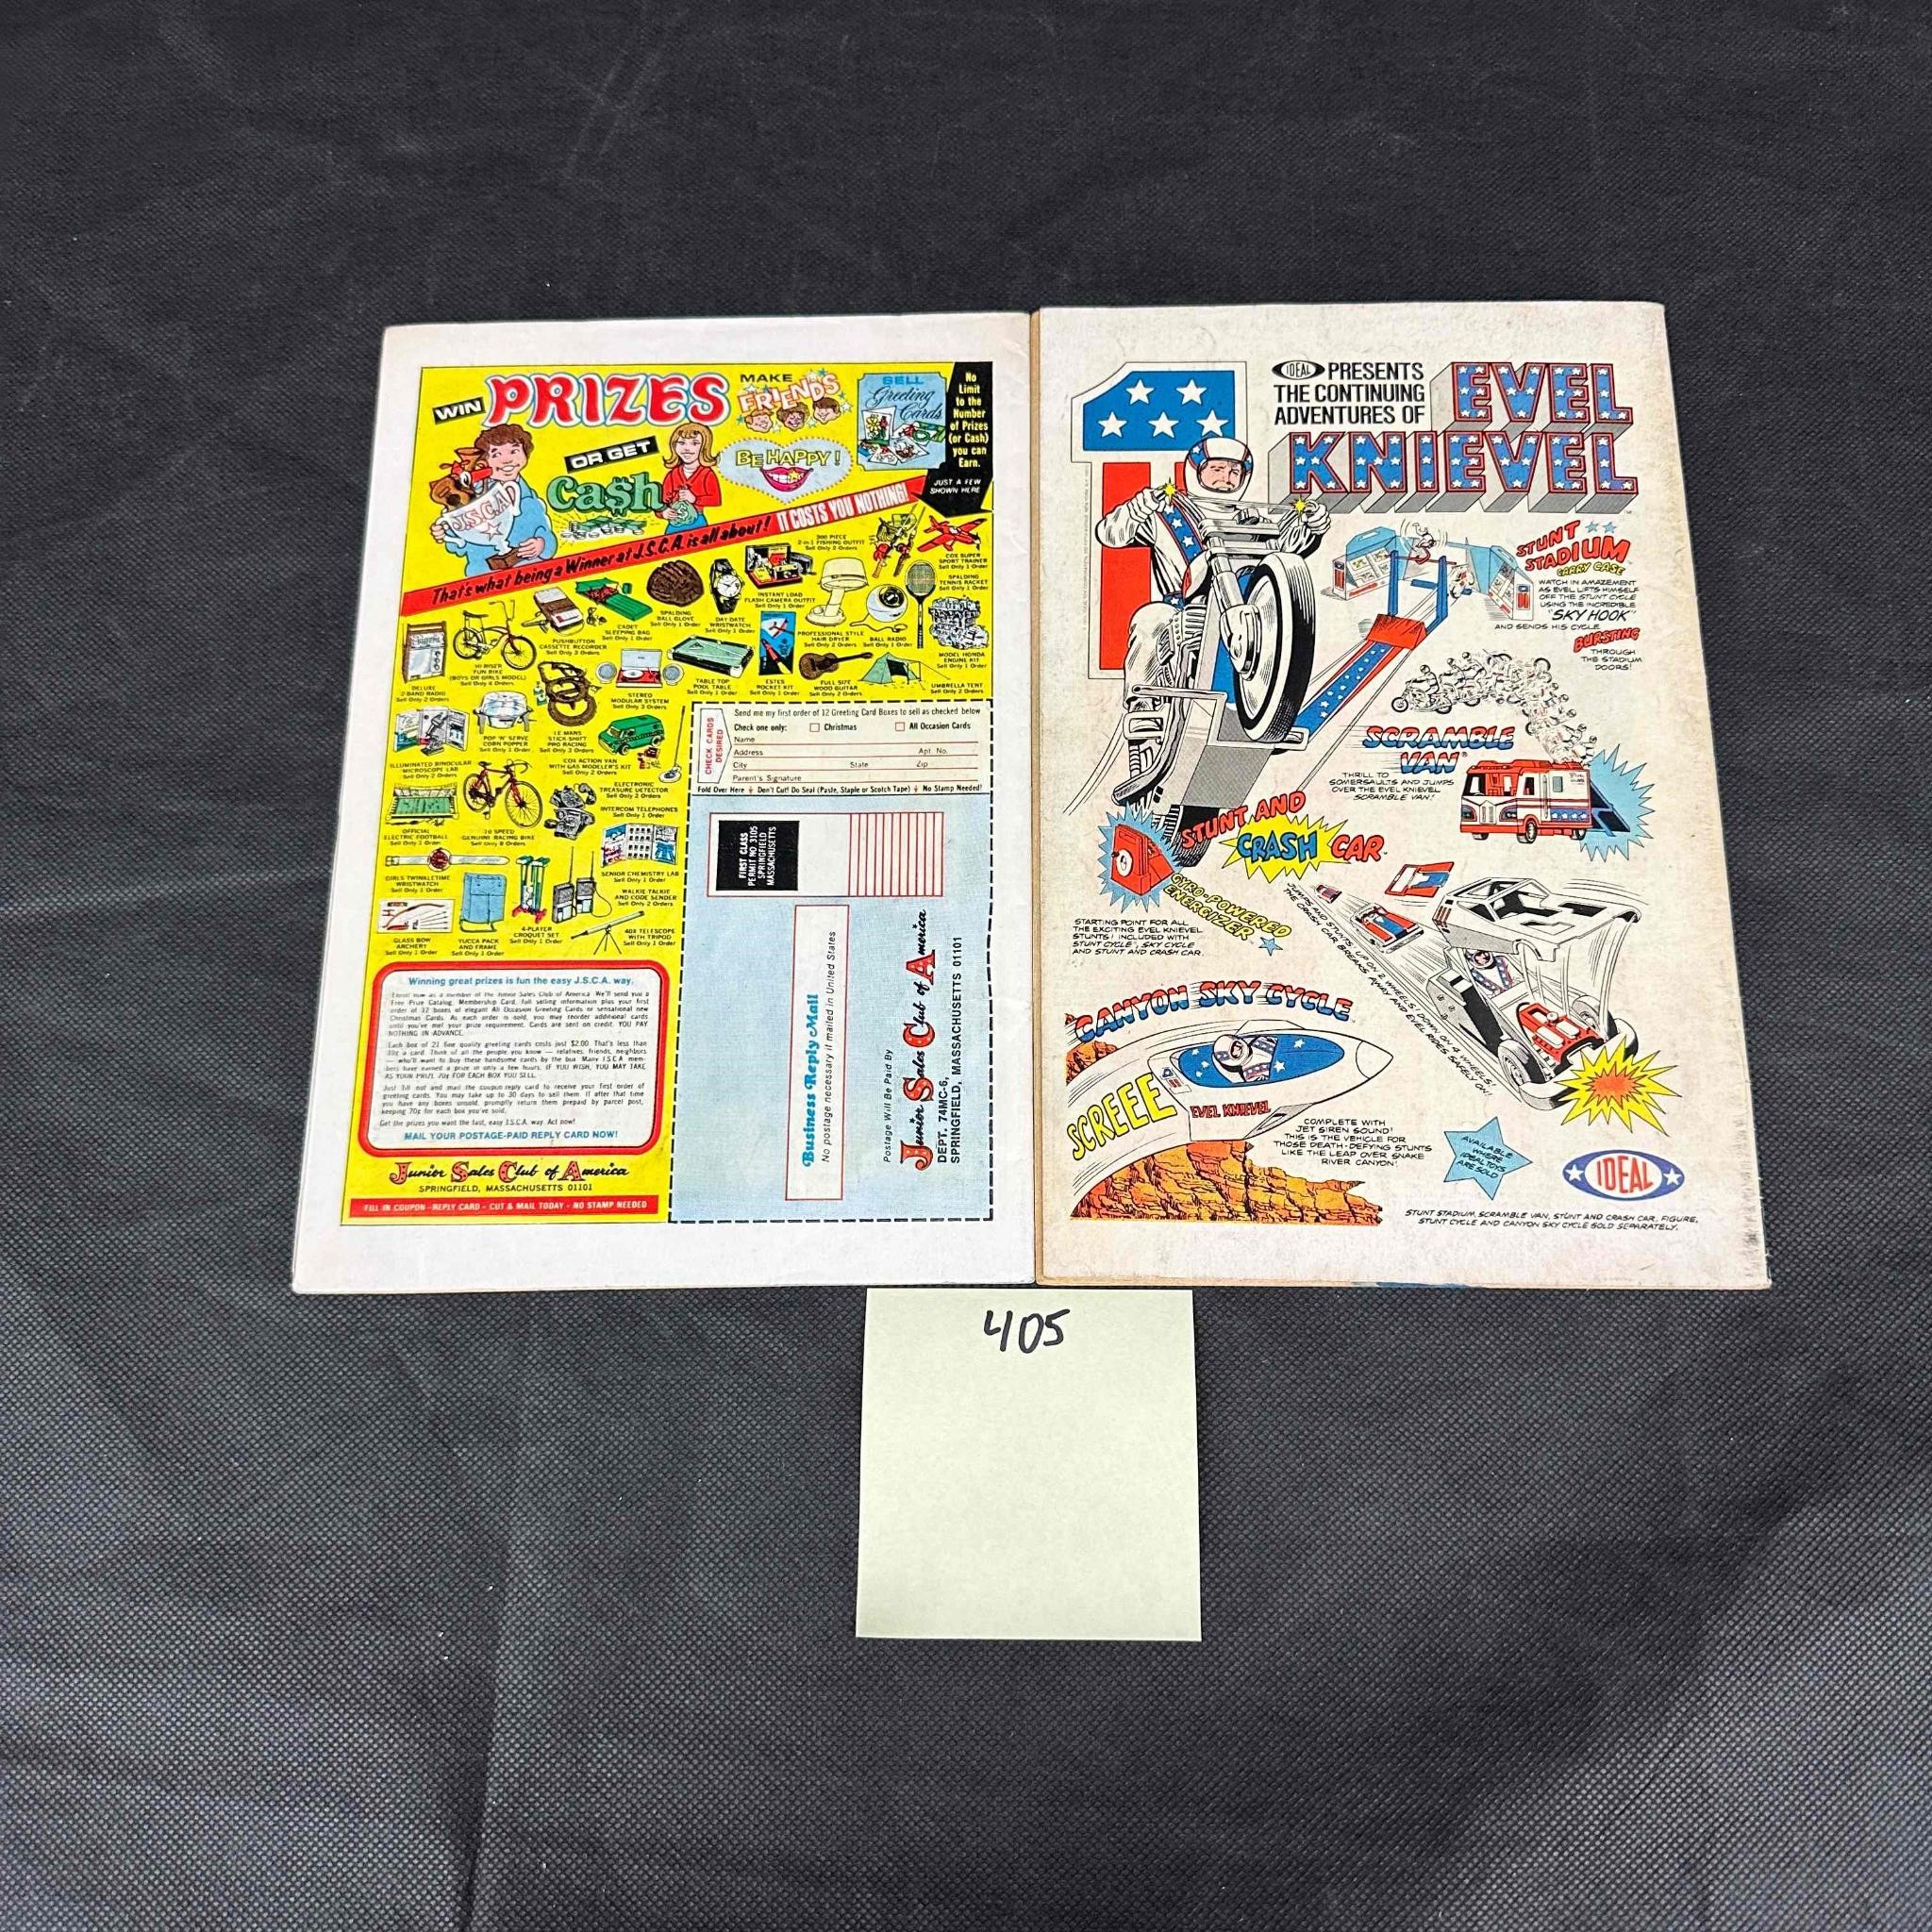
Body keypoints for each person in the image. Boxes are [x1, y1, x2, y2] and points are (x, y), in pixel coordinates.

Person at [1095, 435, 1327, 801]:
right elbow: (1110, 533)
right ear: (1197, 471)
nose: (1225, 479)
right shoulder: (1167, 512)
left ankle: (1278, 705)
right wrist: (1139, 507)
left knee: (1288, 628)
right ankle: (1142, 708)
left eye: (1234, 472)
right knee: (1150, 618)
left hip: (1246, 614)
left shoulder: (1255, 517)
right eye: (1216, 469)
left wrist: (1310, 525)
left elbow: (1287, 553)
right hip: (1185, 609)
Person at [430, 422, 556, 576]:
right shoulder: (468, 497)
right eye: (496, 455)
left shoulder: (527, 497)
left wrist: (541, 544)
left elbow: (546, 533)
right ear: (483, 462)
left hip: (531, 572)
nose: (507, 460)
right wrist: (445, 534)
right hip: (484, 576)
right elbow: (460, 547)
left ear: (525, 453)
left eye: (514, 451)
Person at [661, 421, 722, 529]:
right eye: (682, 443)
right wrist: (663, 513)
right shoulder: (672, 474)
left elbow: (716, 500)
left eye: (694, 443)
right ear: (674, 445)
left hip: (697, 519)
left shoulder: (707, 473)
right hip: (675, 521)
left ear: (704, 447)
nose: (687, 448)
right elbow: (662, 501)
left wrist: (695, 499)